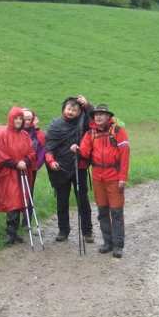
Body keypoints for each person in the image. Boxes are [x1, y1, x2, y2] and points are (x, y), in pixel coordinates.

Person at [76, 104, 130, 258]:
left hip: (114, 177)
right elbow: (85, 153)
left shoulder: (118, 131)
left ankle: (118, 245)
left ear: (108, 117)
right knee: (102, 211)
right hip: (98, 176)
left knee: (116, 212)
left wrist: (122, 178)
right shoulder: (90, 134)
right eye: (96, 115)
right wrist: (77, 149)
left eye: (102, 114)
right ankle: (108, 242)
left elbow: (125, 156)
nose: (98, 117)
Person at [45, 95, 94, 243]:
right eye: (69, 109)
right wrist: (51, 161)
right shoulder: (55, 126)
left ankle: (87, 232)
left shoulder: (84, 123)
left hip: (79, 167)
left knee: (83, 200)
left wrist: (88, 105)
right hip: (60, 169)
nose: (71, 112)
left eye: (75, 110)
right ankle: (63, 230)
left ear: (80, 112)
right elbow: (48, 148)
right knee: (62, 200)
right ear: (63, 109)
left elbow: (95, 121)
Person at [0, 107, 35, 245]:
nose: (19, 121)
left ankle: (14, 232)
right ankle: (10, 232)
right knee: (12, 203)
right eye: (16, 118)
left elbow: (31, 152)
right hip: (8, 174)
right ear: (11, 119)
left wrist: (25, 161)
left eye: (21, 118)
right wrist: (15, 164)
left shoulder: (25, 136)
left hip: (22, 173)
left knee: (20, 202)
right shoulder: (3, 135)